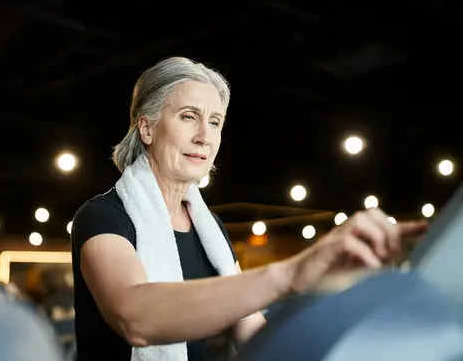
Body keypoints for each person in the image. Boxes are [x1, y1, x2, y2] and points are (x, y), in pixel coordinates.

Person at [71, 56, 428, 361]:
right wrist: (289, 275)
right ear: (146, 128)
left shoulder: (210, 229)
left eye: (215, 121)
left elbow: (252, 331)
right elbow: (136, 317)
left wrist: (340, 304)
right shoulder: (103, 217)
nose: (204, 136)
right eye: (188, 116)